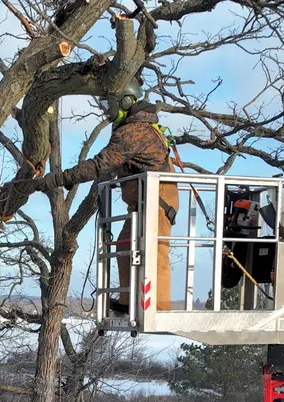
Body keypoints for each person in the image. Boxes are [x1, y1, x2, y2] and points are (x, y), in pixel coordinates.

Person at [24, 79, 179, 314]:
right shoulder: (132, 127)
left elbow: (100, 165)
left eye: (110, 104)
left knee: (154, 251)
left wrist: (58, 179)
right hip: (143, 200)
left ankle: (157, 308)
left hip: (158, 198)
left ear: (126, 102)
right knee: (125, 246)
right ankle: (128, 302)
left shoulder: (135, 131)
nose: (106, 110)